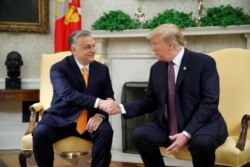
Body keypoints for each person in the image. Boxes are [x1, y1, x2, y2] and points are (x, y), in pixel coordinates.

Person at [116, 24, 228, 167]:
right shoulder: (156, 68)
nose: (152, 48)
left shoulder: (203, 63)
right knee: (141, 135)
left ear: (170, 45)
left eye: (155, 44)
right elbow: (150, 101)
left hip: (202, 125)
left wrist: (187, 133)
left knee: (201, 144)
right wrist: (121, 107)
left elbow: (210, 102)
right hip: (169, 126)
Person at [32, 30, 120, 167]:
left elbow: (109, 97)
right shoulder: (58, 68)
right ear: (74, 50)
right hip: (61, 117)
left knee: (106, 131)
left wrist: (100, 115)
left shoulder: (102, 69)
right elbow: (68, 95)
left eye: (93, 45)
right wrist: (99, 102)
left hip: (90, 119)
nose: (93, 50)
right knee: (39, 134)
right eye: (87, 47)